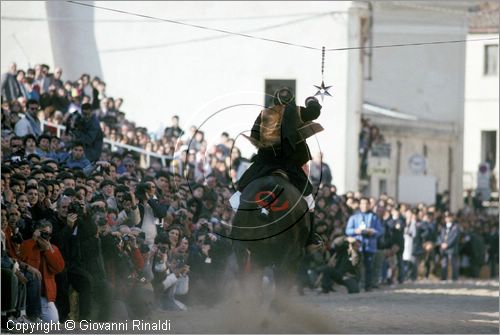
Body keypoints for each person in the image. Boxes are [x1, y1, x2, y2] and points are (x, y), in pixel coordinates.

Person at [231, 87, 323, 244]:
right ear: (292, 99)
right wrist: (312, 101)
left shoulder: (264, 114)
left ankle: (236, 229)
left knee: (239, 193)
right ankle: (311, 237)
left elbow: (254, 135)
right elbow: (314, 113)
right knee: (308, 197)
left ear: (275, 99)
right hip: (290, 164)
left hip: (266, 162)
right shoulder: (299, 111)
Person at [19, 220, 65, 322]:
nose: (46, 236)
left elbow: (59, 268)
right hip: (27, 294)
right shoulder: (27, 244)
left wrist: (47, 251)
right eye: (43, 233)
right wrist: (33, 240)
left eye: (48, 233)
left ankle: (36, 319)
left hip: (44, 296)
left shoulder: (53, 249)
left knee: (53, 320)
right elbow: (20, 259)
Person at [345, 197, 383, 291]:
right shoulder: (354, 217)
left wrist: (372, 232)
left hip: (370, 246)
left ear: (369, 205)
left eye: (366, 204)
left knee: (369, 267)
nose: (364, 206)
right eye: (362, 203)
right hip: (357, 246)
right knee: (356, 266)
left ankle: (368, 286)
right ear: (360, 205)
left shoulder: (374, 217)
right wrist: (356, 231)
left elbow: (380, 231)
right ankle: (356, 285)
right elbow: (347, 230)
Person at [438, 211, 460, 281]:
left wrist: (447, 244)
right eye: (446, 217)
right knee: (444, 263)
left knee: (453, 263)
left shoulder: (455, 227)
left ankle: (454, 277)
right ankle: (443, 277)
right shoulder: (443, 227)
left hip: (451, 248)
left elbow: (454, 237)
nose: (447, 219)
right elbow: (440, 236)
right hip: (444, 247)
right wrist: (442, 243)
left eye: (449, 217)